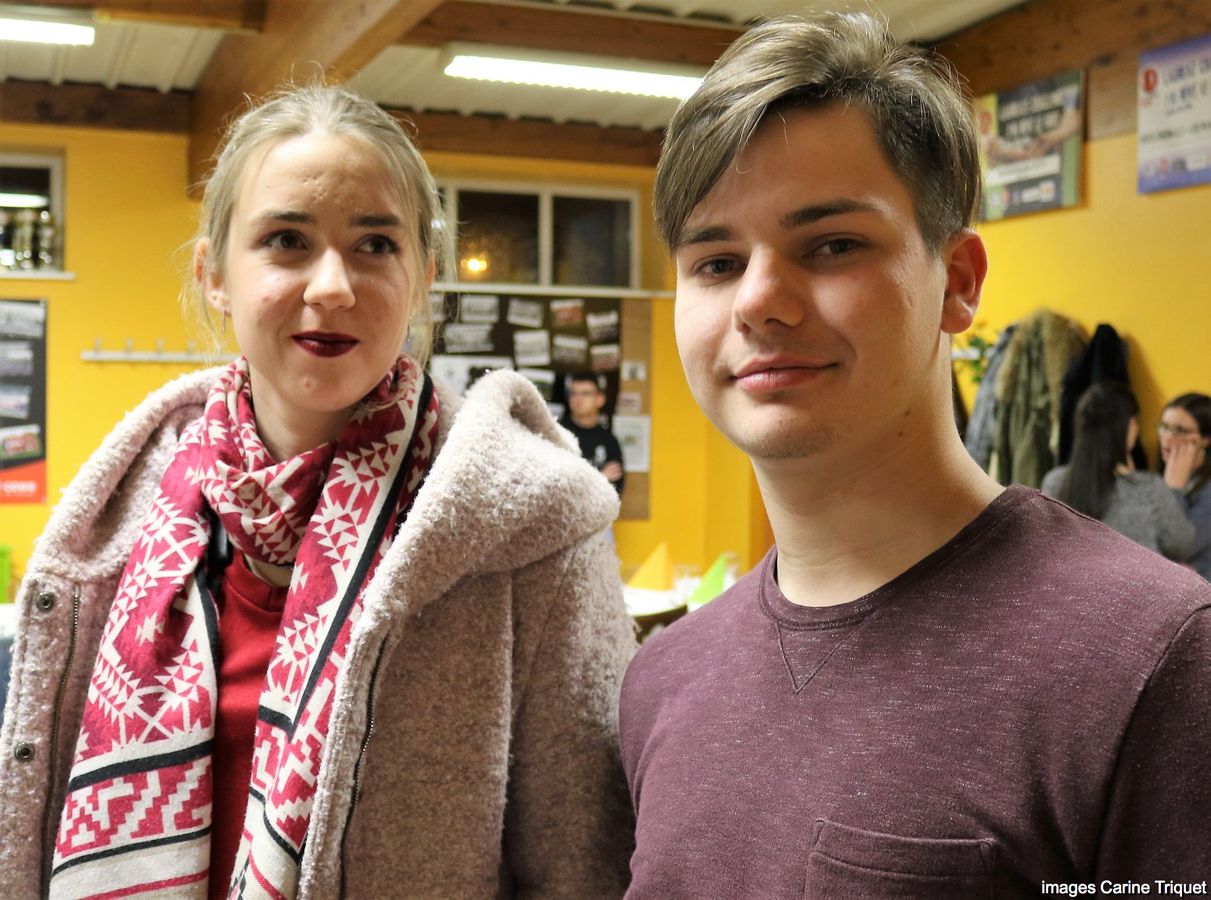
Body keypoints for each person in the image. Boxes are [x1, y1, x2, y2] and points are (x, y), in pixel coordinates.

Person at [618, 12, 1211, 897]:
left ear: (958, 282)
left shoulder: (1151, 660)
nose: (759, 300)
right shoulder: (663, 679)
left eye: (832, 245)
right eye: (715, 261)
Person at [0, 84, 636, 899]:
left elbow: (584, 871)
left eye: (375, 243)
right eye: (287, 240)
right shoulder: (118, 517)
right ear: (214, 275)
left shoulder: (531, 526)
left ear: (421, 277)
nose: (333, 285)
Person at [1041, 382, 1193, 560]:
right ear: (1127, 426)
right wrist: (1174, 491)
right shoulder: (1149, 488)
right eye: (1134, 421)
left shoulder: (1054, 482)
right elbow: (1180, 546)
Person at [1158, 392, 1211, 579]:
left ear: (1206, 439)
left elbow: (1177, 548)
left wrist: (1173, 489)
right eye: (1164, 427)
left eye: (1180, 430)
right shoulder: (1161, 474)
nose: (1167, 438)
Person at [560, 371, 625, 495]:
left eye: (585, 394)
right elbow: (558, 486)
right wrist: (600, 478)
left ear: (600, 399)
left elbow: (615, 492)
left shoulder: (609, 441)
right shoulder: (557, 434)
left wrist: (583, 485)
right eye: (573, 394)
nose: (578, 399)